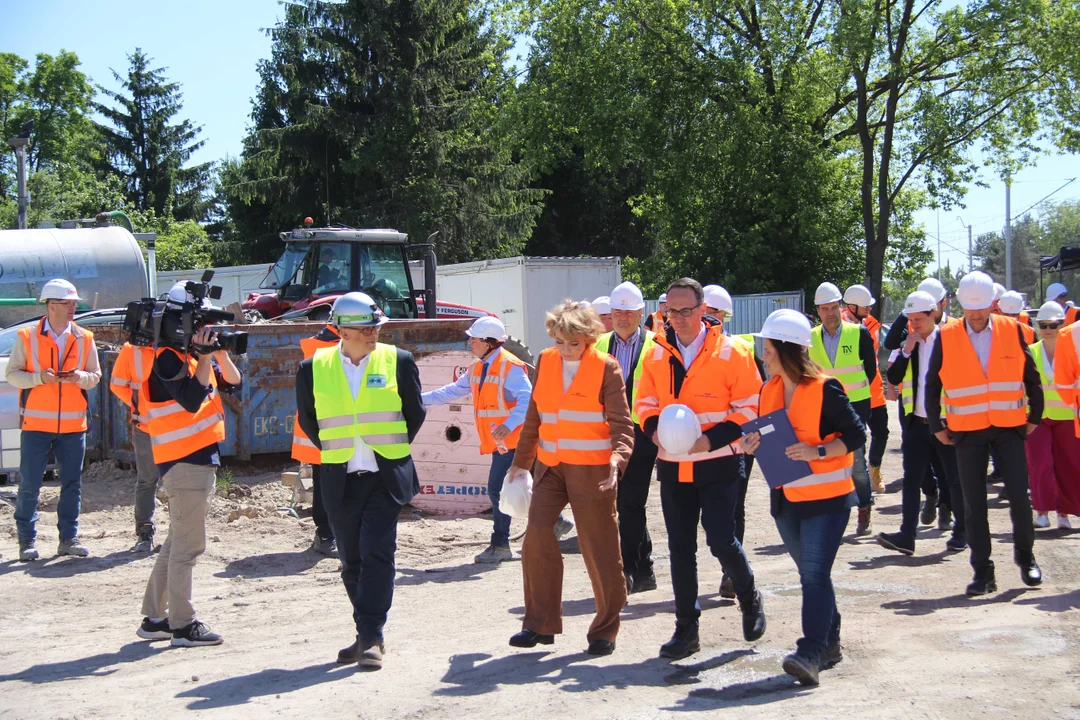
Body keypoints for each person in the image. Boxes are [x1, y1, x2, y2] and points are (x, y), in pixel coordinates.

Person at [636, 278, 766, 660]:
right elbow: (642, 402)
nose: (678, 318)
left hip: (719, 461)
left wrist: (710, 440)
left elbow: (749, 408)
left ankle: (749, 596)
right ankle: (686, 630)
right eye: (671, 312)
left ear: (703, 308)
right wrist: (653, 430)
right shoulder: (655, 353)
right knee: (680, 549)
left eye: (686, 310)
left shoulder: (733, 352)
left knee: (721, 540)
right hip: (674, 466)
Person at [296, 292, 426, 669]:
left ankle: (372, 636)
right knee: (350, 560)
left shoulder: (397, 361)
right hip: (339, 476)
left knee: (378, 554)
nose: (373, 335)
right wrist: (339, 450)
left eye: (375, 328)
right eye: (365, 329)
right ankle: (364, 631)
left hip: (384, 477)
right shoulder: (311, 368)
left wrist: (391, 448)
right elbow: (309, 420)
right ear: (340, 330)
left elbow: (414, 414)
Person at [743, 309, 864, 687]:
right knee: (814, 577)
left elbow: (857, 435)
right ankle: (830, 644)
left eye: (768, 347)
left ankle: (810, 652)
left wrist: (819, 453)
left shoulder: (826, 388)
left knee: (813, 576)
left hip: (828, 501)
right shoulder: (768, 389)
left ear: (786, 349)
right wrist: (754, 444)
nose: (763, 354)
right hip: (787, 500)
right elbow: (769, 436)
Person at [508, 300, 634, 656]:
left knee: (600, 549)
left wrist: (617, 460)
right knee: (536, 537)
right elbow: (535, 415)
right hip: (550, 468)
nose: (565, 349)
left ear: (589, 338)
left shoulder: (607, 368)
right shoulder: (546, 361)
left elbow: (623, 425)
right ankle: (539, 624)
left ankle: (605, 630)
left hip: (593, 471)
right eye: (559, 341)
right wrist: (520, 462)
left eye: (573, 343)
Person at [925, 271, 1044, 596]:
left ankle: (1025, 557)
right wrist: (936, 425)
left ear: (992, 303)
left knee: (1020, 497)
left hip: (1009, 428)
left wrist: (1036, 413)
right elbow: (933, 383)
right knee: (974, 503)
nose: (976, 315)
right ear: (961, 305)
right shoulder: (947, 335)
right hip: (967, 432)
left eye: (982, 308)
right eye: (970, 308)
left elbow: (1032, 377)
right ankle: (983, 572)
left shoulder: (1014, 329)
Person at [137, 281, 243, 647]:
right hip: (183, 462)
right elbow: (192, 398)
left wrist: (219, 351)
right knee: (188, 545)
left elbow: (234, 382)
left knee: (175, 541)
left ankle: (154, 617)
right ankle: (182, 624)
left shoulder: (191, 357)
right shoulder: (167, 357)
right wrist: (206, 356)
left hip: (194, 460)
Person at [423, 316, 573, 564]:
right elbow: (452, 391)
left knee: (497, 489)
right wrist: (419, 398)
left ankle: (501, 544)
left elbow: (528, 400)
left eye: (474, 339)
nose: (469, 342)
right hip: (502, 443)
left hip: (515, 442)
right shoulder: (479, 367)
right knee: (511, 488)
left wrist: (508, 424)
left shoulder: (509, 366)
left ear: (489, 343)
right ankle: (555, 522)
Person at [6, 278, 101, 562]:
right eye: (67, 303)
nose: (73, 307)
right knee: (30, 484)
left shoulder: (85, 338)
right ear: (50, 305)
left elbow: (94, 376)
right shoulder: (27, 336)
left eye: (73, 303)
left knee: (72, 483)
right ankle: (27, 541)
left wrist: (79, 378)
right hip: (36, 425)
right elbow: (13, 375)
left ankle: (68, 539)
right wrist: (39, 378)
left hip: (73, 426)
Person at [876, 291, 967, 556]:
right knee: (912, 480)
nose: (913, 324)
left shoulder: (950, 339)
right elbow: (892, 377)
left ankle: (961, 531)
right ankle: (906, 535)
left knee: (955, 480)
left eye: (918, 319)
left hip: (945, 422)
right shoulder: (909, 343)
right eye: (910, 319)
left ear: (933, 315)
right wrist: (906, 351)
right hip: (916, 424)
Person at [595, 281, 659, 593]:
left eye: (628, 312)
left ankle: (630, 570)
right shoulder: (598, 345)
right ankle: (644, 568)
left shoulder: (657, 345)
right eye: (617, 311)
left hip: (642, 435)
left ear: (640, 313)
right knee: (619, 503)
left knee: (630, 503)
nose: (622, 317)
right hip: (605, 435)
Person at [704, 283, 765, 598]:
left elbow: (760, 393)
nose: (712, 317)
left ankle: (730, 574)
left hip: (739, 440)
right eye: (708, 311)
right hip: (702, 443)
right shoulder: (688, 350)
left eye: (717, 312)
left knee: (734, 506)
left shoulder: (742, 348)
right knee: (709, 513)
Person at [809, 282, 877, 536]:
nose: (830, 313)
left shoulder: (858, 333)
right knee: (827, 459)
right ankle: (831, 511)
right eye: (824, 309)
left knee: (856, 460)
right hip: (824, 408)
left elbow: (870, 370)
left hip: (856, 405)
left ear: (841, 306)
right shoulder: (811, 337)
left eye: (833, 307)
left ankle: (864, 505)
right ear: (818, 311)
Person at [291, 323, 342, 558]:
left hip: (317, 432)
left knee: (325, 485)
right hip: (327, 431)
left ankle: (327, 534)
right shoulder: (332, 352)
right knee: (328, 488)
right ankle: (325, 535)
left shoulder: (316, 347)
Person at [1028, 302, 1080, 529]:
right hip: (1037, 418)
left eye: (1053, 324)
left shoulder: (1074, 350)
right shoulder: (1030, 351)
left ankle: (1064, 514)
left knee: (1068, 465)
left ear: (1063, 324)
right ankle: (1041, 511)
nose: (1048, 329)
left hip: (1068, 415)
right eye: (1043, 324)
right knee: (1040, 464)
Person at [110, 338, 163, 553]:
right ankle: (145, 532)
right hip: (147, 427)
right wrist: (138, 407)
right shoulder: (131, 350)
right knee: (147, 480)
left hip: (174, 428)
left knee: (174, 482)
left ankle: (180, 534)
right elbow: (117, 383)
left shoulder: (181, 343)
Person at [842, 284, 889, 495]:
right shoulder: (837, 325)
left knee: (882, 432)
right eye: (866, 308)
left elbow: (873, 358)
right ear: (852, 307)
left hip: (873, 388)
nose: (869, 311)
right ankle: (856, 483)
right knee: (857, 437)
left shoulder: (872, 325)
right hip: (850, 392)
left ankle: (874, 468)